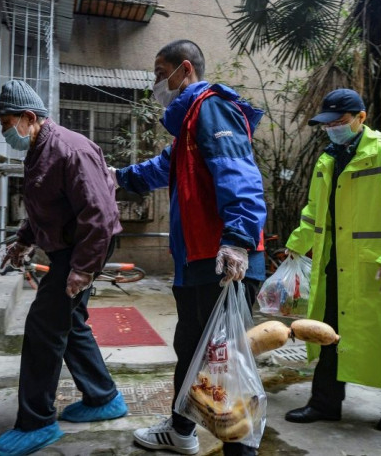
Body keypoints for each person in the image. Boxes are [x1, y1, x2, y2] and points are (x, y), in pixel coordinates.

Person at [112, 40, 267, 456]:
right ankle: (181, 430)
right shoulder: (189, 124)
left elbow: (239, 172)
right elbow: (160, 168)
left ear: (185, 70)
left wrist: (237, 238)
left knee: (222, 362)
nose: (156, 83)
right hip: (199, 260)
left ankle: (240, 449)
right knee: (194, 350)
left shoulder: (212, 108)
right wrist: (115, 177)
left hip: (222, 258)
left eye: (160, 73)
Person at [0, 80, 128, 456]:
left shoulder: (69, 149)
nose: (5, 133)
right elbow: (42, 206)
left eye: (7, 125)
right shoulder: (37, 149)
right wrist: (22, 240)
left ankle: (37, 423)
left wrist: (82, 269)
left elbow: (99, 215)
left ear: (29, 118)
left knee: (43, 327)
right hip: (70, 246)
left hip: (84, 246)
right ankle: (103, 398)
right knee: (69, 323)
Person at [282, 88, 381, 432]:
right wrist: (296, 244)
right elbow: (313, 213)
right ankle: (324, 403)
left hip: (377, 267)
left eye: (340, 121)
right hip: (334, 265)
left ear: (361, 118)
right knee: (329, 333)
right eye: (328, 123)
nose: (333, 127)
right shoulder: (328, 160)